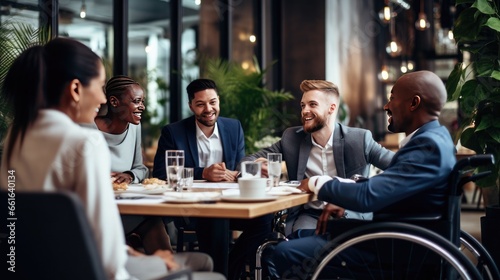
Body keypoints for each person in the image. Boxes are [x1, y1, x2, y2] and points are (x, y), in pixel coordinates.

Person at [0, 37, 224, 280]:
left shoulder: (15, 137)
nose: (103, 99)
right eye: (98, 86)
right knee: (208, 268)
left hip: (37, 269)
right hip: (92, 270)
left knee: (200, 260)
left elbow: (68, 231)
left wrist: (136, 255)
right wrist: (149, 262)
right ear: (76, 89)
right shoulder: (85, 143)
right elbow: (107, 256)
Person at [265, 70, 456, 279]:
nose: (386, 106)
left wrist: (316, 183)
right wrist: (347, 190)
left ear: (414, 103)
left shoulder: (426, 146)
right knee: (300, 236)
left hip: (393, 247)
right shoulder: (435, 138)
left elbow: (368, 197)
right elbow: (392, 183)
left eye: (392, 98)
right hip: (397, 238)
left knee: (285, 252)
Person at [152, 78, 273, 280]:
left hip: (231, 203)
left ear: (219, 101)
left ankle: (227, 270)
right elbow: (162, 175)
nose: (208, 109)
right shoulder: (173, 132)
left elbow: (237, 168)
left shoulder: (234, 128)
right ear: (191, 106)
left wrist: (241, 173)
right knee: (216, 217)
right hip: (193, 207)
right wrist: (203, 173)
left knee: (266, 219)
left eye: (213, 102)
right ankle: (220, 274)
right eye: (200, 104)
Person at [241, 80, 394, 235]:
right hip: (309, 216)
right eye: (303, 105)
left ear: (331, 108)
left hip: (349, 213)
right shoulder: (292, 139)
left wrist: (360, 186)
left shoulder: (359, 139)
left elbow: (400, 167)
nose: (304, 111)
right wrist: (256, 169)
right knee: (295, 247)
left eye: (312, 104)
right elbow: (247, 161)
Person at [95, 75, 173, 254]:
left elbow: (141, 168)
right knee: (150, 219)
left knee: (153, 218)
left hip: (128, 203)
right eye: (137, 101)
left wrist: (129, 175)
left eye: (143, 101)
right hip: (100, 208)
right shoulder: (89, 129)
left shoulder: (135, 127)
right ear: (114, 102)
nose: (142, 107)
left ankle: (166, 268)